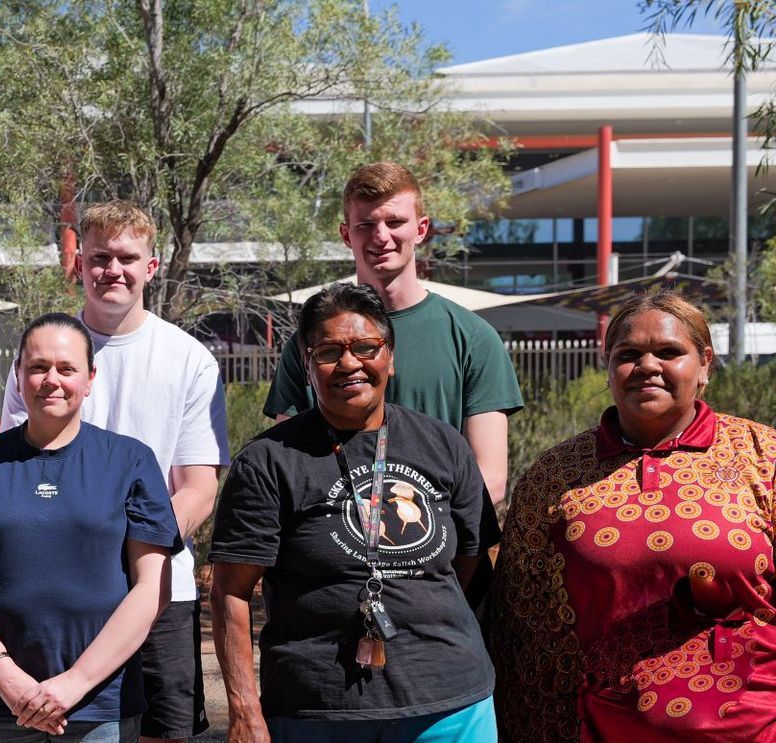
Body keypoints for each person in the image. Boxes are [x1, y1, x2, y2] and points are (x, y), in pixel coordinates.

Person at [210, 282, 497, 742]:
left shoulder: (444, 444)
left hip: (448, 701)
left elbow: (474, 558)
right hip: (316, 707)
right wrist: (245, 712)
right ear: (306, 365)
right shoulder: (269, 460)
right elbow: (231, 591)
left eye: (366, 347)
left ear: (390, 357)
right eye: (328, 351)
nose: (349, 363)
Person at [489, 292, 776, 742]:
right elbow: (525, 633)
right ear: (608, 367)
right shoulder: (556, 476)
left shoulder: (764, 457)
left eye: (668, 352)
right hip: (603, 729)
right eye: (628, 354)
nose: (647, 365)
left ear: (704, 364)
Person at [1, 201, 227, 743]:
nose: (112, 270)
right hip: (55, 593)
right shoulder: (41, 356)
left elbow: (199, 486)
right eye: (100, 256)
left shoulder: (190, 360)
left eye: (127, 257)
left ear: (152, 267)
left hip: (160, 594)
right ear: (78, 263)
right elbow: (17, 470)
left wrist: (135, 553)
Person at [0, 313, 180, 742]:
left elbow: (152, 588)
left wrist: (75, 682)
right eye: (37, 367)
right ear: (17, 375)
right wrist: (5, 676)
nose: (52, 379)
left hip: (100, 703)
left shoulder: (130, 461)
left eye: (66, 368)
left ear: (89, 379)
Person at [262, 162, 522, 507]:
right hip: (330, 544)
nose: (381, 236)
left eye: (395, 222)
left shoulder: (472, 337)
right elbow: (285, 461)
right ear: (345, 234)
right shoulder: (312, 341)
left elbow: (490, 478)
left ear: (421, 228)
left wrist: (421, 538)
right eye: (366, 224)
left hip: (434, 546)